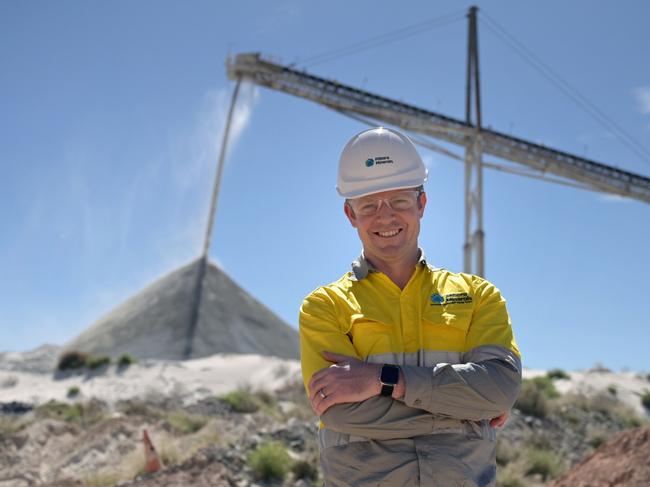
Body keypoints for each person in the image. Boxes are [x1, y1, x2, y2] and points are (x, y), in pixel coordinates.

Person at [299, 127, 522, 486]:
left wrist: (382, 380)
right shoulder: (325, 306)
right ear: (350, 214)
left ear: (421, 204)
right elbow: (343, 412)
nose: (385, 217)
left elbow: (500, 388)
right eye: (369, 205)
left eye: (399, 201)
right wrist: (467, 412)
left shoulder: (478, 295)